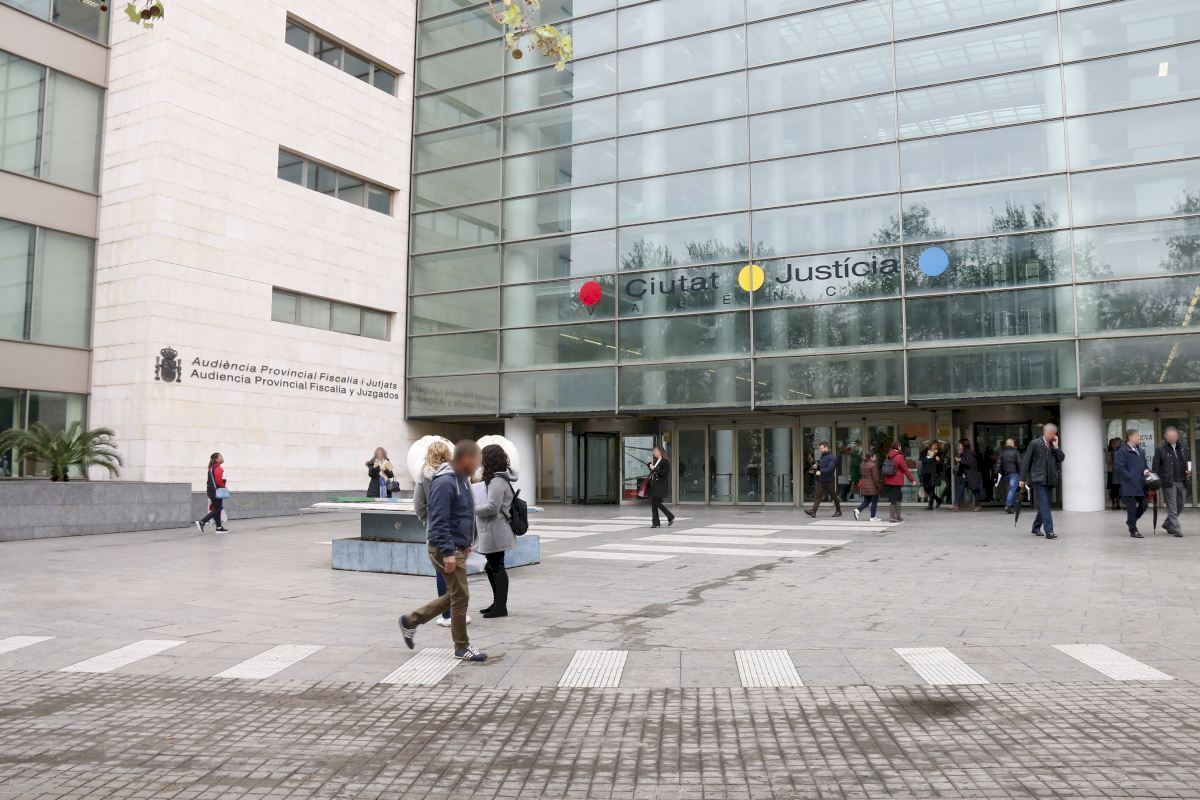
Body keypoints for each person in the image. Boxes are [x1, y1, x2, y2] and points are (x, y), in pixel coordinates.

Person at [399, 440, 487, 662]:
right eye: (476, 461)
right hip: (444, 547)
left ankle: (410, 621)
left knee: (455, 595)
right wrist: (448, 552)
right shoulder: (445, 482)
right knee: (461, 596)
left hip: (457, 545)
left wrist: (467, 541)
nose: (478, 466)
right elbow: (438, 519)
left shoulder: (461, 480)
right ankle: (462, 646)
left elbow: (464, 513)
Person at [414, 441, 468, 629]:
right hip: (457, 528)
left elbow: (418, 503)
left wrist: (427, 519)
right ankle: (459, 614)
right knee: (457, 571)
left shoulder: (424, 474)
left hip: (436, 528)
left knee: (441, 571)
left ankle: (446, 616)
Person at [475, 444, 517, 618]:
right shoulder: (497, 478)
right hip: (494, 529)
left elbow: (493, 507)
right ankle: (497, 603)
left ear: (489, 459)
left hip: (496, 530)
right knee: (492, 567)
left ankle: (500, 607)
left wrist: (472, 508)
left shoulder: (497, 481)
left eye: (483, 457)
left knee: (497, 567)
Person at [1020, 423, 1065, 540]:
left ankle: (1035, 527)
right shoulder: (1035, 443)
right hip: (1039, 479)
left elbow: (1061, 458)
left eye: (1054, 433)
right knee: (1045, 504)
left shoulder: (1053, 446)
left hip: (1050, 479)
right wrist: (1022, 479)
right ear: (1045, 432)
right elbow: (1026, 461)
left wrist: (1056, 447)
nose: (1052, 435)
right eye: (1051, 433)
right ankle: (1049, 531)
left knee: (1045, 505)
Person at [1153, 426, 1190, 538]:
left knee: (1180, 505)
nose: (1173, 438)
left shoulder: (1181, 447)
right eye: (1170, 436)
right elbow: (1155, 466)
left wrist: (1188, 470)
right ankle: (1177, 528)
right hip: (1168, 482)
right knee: (1172, 507)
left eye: (1174, 436)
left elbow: (1186, 461)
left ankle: (1167, 523)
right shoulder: (1160, 449)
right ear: (1166, 436)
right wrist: (1156, 480)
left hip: (1181, 480)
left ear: (1177, 436)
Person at [1114, 428, 1150, 538]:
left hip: (1140, 484)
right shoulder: (1122, 450)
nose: (1139, 438)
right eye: (1137, 436)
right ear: (1131, 437)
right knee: (1132, 509)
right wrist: (1130, 477)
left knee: (1144, 505)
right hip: (1128, 485)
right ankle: (1133, 530)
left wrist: (1146, 470)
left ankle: (1131, 521)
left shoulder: (1140, 450)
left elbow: (1144, 464)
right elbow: (1119, 467)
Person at [804, 442, 842, 518]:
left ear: (826, 447)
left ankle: (838, 511)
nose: (820, 449)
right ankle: (813, 511)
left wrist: (821, 472)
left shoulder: (831, 457)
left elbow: (830, 468)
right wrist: (817, 467)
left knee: (834, 496)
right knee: (818, 496)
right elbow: (822, 466)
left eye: (821, 448)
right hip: (822, 480)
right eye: (819, 448)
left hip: (829, 480)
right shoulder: (822, 456)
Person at [195, 452, 230, 533]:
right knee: (218, 509)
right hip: (216, 491)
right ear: (217, 459)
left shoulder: (211, 468)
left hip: (212, 491)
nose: (222, 458)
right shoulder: (218, 468)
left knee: (218, 508)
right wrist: (224, 488)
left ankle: (219, 527)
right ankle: (202, 522)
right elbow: (218, 481)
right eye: (221, 456)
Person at [882, 441, 915, 522]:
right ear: (898, 447)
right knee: (897, 498)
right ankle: (893, 517)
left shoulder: (888, 455)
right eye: (900, 446)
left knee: (895, 497)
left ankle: (897, 516)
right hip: (896, 481)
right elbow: (905, 469)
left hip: (888, 480)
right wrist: (912, 480)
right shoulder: (899, 457)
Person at [950, 439, 982, 512]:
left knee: (975, 490)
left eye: (960, 444)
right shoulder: (962, 452)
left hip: (971, 475)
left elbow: (970, 463)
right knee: (960, 489)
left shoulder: (970, 453)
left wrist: (960, 460)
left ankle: (978, 505)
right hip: (964, 475)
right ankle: (955, 505)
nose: (959, 446)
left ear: (963, 445)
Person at [647, 445, 675, 528]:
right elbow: (654, 471)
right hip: (654, 485)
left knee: (656, 502)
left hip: (660, 485)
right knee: (654, 503)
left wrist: (654, 468)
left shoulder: (665, 461)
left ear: (659, 451)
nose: (654, 452)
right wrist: (649, 464)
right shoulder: (657, 460)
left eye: (655, 451)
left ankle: (670, 516)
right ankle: (656, 523)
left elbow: (664, 473)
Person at [854, 452, 881, 521]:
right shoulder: (873, 465)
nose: (875, 458)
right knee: (874, 502)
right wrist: (879, 486)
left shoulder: (862, 464)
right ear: (871, 457)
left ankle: (858, 510)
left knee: (866, 502)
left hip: (864, 486)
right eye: (874, 456)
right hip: (872, 487)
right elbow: (876, 478)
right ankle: (872, 517)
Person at [998, 438, 1022, 513]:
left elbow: (998, 465)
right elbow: (1019, 464)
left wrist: (999, 473)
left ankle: (1013, 507)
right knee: (1012, 489)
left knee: (1013, 489)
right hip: (1014, 473)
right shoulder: (1016, 452)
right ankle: (1008, 505)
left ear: (1006, 445)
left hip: (1006, 475)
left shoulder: (1002, 453)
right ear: (1013, 444)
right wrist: (1022, 474)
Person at [919, 441, 945, 510]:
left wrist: (938, 459)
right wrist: (931, 455)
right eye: (933, 445)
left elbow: (942, 461)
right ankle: (938, 499)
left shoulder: (939, 452)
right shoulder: (925, 451)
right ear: (930, 445)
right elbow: (923, 459)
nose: (935, 446)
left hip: (934, 473)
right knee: (926, 488)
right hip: (925, 472)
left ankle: (930, 505)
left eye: (936, 445)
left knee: (931, 488)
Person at [1106, 438, 1122, 510]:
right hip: (1113, 472)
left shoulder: (1120, 451)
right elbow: (1108, 462)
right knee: (1114, 488)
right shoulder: (1112, 451)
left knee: (1118, 488)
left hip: (1118, 473)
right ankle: (1115, 501)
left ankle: (1118, 501)